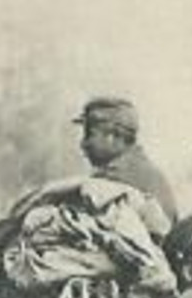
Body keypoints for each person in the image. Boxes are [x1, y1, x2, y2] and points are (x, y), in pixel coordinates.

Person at [75, 96, 180, 233]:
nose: (83, 144)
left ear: (113, 136)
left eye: (90, 135)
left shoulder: (115, 179)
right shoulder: (143, 169)